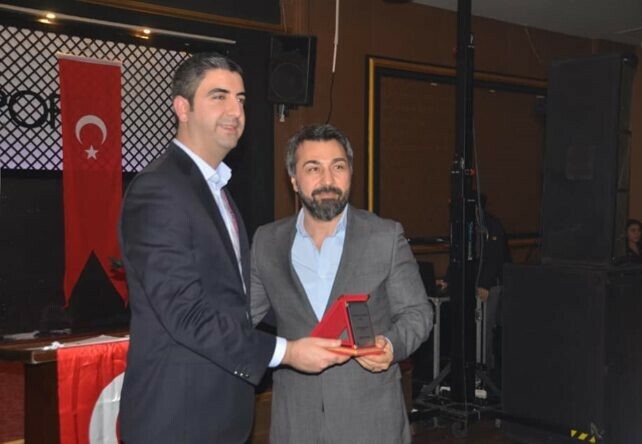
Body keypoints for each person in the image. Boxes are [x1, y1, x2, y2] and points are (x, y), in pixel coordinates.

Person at [118, 54, 348, 443]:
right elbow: (185, 313)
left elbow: (233, 300)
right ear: (182, 108)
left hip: (220, 413)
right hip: (177, 419)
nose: (235, 111)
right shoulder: (160, 189)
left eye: (240, 99)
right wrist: (288, 352)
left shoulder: (215, 188)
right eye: (219, 97)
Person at [249, 124, 433, 444]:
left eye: (338, 166)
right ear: (294, 180)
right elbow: (239, 319)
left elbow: (418, 313)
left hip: (371, 423)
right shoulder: (267, 242)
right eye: (313, 168)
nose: (328, 180)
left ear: (350, 173)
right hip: (295, 424)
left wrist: (391, 345)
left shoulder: (385, 236)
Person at [438, 193, 511, 384]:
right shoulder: (463, 225)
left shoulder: (491, 225)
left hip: (492, 285)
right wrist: (448, 279)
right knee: (471, 328)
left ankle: (486, 372)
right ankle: (471, 369)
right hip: (473, 283)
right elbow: (457, 254)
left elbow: (495, 257)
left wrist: (485, 284)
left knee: (485, 328)